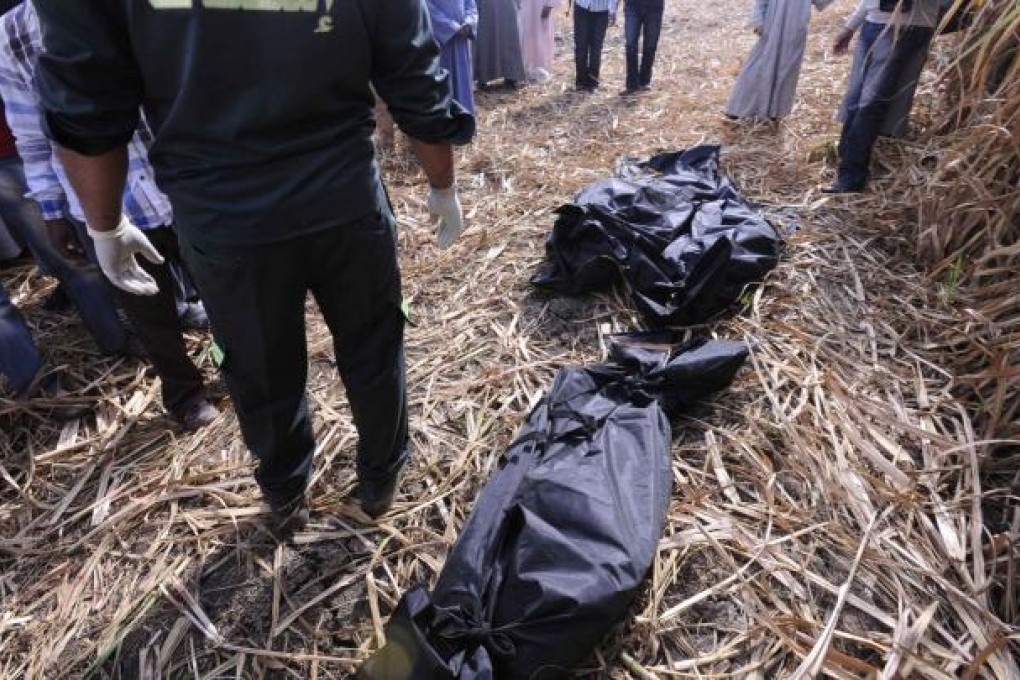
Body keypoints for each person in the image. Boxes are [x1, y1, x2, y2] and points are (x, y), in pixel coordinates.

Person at [33, 0, 474, 536]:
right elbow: (412, 67)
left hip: (226, 218)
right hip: (342, 199)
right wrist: (441, 183)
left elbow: (85, 98)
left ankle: (289, 492)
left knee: (261, 367)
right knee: (372, 346)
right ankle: (378, 474)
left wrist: (103, 224)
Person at [0, 1, 218, 432]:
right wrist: (53, 209)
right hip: (105, 206)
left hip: (181, 180)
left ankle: (242, 372)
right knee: (147, 312)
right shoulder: (12, 34)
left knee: (222, 288)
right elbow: (30, 131)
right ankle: (185, 394)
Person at [825, 0, 939, 193]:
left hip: (903, 28)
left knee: (869, 103)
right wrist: (850, 26)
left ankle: (851, 176)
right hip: (873, 25)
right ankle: (844, 164)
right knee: (855, 100)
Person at [724, 0, 833, 118]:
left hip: (794, 30)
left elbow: (819, 2)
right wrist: (758, 21)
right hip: (771, 26)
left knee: (785, 71)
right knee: (756, 67)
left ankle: (774, 113)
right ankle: (738, 110)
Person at [426, 0, 479, 114]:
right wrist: (452, 27)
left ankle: (465, 118)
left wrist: (469, 22)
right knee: (443, 82)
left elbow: (471, 5)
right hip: (440, 43)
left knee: (462, 80)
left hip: (461, 40)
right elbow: (428, 9)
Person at [475, 0, 528, 88]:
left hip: (507, 5)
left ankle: (512, 75)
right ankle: (483, 77)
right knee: (486, 37)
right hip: (486, 5)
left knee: (509, 38)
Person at [571, 0, 619, 92]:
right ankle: (580, 82)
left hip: (602, 10)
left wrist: (613, 11)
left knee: (596, 49)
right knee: (581, 46)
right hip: (582, 6)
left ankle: (593, 82)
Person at [622, 0, 665, 95]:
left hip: (655, 7)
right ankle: (632, 84)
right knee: (630, 43)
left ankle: (644, 81)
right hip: (632, 5)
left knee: (650, 44)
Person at [519, 0, 564, 82]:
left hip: (542, 6)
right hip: (526, 6)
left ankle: (542, 70)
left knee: (542, 36)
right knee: (526, 34)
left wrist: (550, 5)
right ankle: (527, 69)